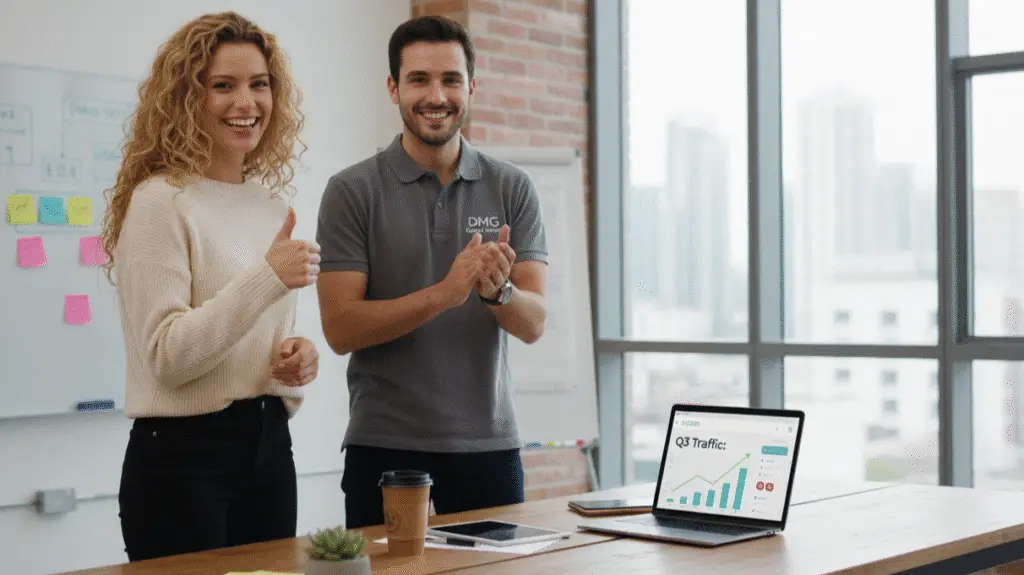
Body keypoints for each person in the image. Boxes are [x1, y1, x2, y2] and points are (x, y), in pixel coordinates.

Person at [98, 12, 321, 561]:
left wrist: (297, 359)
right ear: (185, 98)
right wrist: (268, 277)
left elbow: (252, 335)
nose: (245, 103)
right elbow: (168, 357)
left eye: (259, 84)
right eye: (222, 86)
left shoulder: (270, 206)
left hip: (269, 444)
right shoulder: (160, 201)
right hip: (182, 460)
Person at [315, 15, 548, 529]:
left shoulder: (512, 187)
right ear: (394, 88)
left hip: (489, 446)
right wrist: (445, 293)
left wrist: (497, 292)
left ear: (472, 86)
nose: (435, 95)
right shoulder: (352, 192)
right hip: (384, 448)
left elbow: (533, 324)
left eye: (450, 79)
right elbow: (340, 328)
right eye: (419, 79)